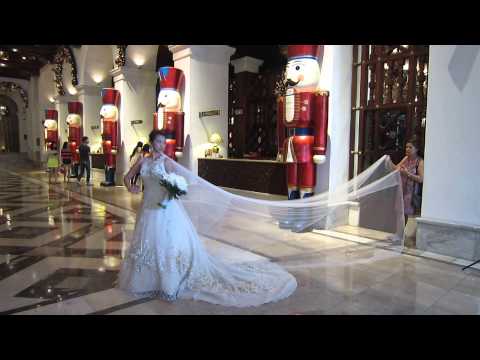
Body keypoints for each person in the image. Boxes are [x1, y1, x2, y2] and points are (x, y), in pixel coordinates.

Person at [118, 129, 297, 307]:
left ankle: (168, 283)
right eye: (158, 142)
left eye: (164, 142)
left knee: (167, 244)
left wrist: (174, 190)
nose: (162, 145)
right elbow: (127, 177)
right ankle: (147, 280)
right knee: (147, 243)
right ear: (151, 142)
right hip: (147, 208)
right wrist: (131, 188)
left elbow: (180, 185)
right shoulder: (143, 161)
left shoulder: (168, 163)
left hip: (165, 209)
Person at [394, 139, 424, 226]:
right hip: (402, 190)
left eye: (410, 147)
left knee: (406, 214)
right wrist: (387, 161)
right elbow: (396, 168)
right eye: (406, 147)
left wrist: (407, 174)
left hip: (410, 193)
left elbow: (421, 179)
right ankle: (398, 234)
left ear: (416, 149)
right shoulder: (406, 158)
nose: (407, 149)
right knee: (399, 213)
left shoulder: (420, 162)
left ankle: (402, 235)